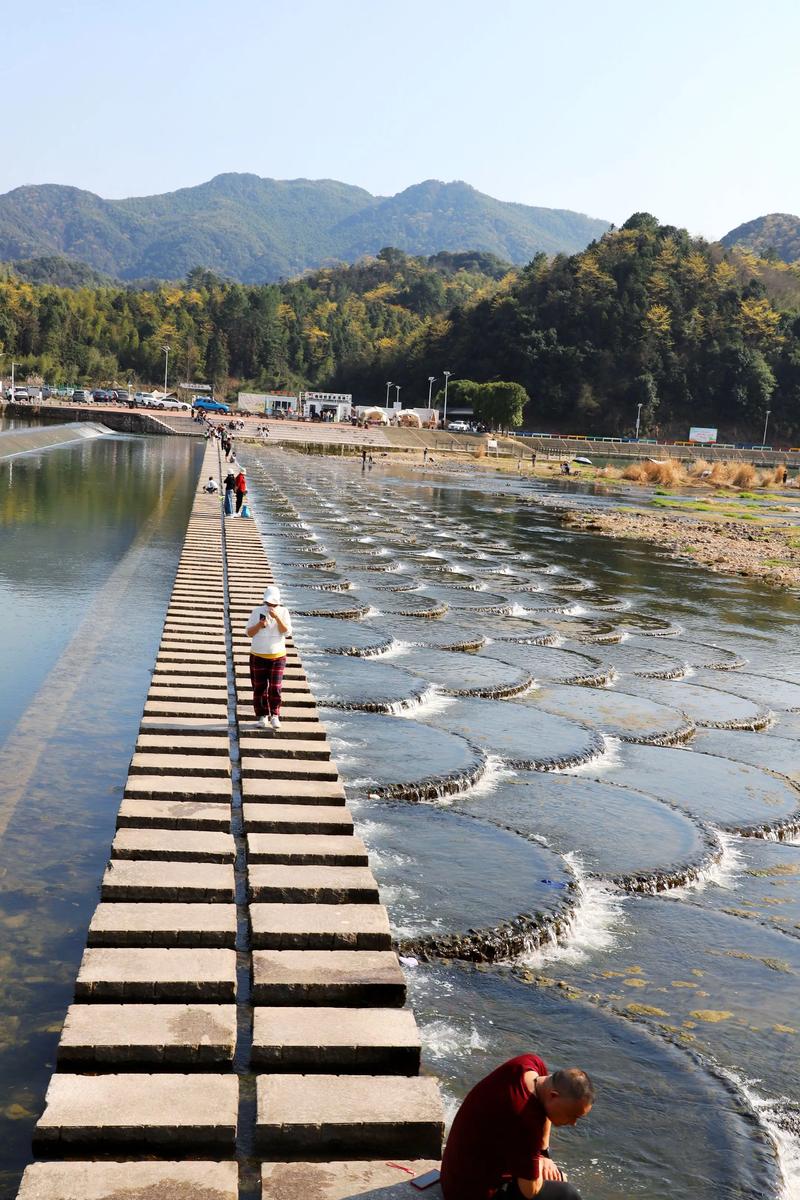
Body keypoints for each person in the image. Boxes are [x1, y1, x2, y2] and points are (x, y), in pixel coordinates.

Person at [440, 1056, 594, 1200]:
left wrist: (543, 1154)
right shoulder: (525, 1118)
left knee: (553, 1176)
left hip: (455, 1170)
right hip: (467, 1192)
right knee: (567, 1192)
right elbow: (530, 1191)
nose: (574, 1122)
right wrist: (544, 1171)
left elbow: (544, 1113)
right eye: (572, 1114)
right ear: (553, 1095)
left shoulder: (532, 1065)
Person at [246, 585, 292, 730]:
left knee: (275, 687)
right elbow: (249, 633)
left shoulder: (283, 612)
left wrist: (277, 617)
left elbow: (287, 632)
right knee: (259, 688)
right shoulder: (257, 611)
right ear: (264, 602)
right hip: (257, 654)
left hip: (277, 656)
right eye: (268, 603)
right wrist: (260, 625)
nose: (271, 606)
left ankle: (275, 715)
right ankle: (262, 716)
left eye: (274, 604)